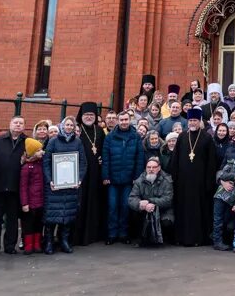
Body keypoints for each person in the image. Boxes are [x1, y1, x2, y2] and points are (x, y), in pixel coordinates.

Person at [170, 108, 218, 245]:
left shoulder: (207, 138)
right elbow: (175, 159)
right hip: (183, 183)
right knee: (183, 210)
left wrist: (209, 182)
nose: (192, 123)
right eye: (190, 120)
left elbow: (211, 163)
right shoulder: (182, 137)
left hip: (200, 183)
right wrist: (175, 177)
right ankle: (182, 238)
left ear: (199, 121)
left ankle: (198, 239)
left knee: (198, 211)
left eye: (195, 120)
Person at [43, 116, 87, 254]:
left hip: (70, 185)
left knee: (68, 216)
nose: (69, 127)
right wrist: (50, 180)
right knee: (51, 216)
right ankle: (49, 242)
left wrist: (79, 179)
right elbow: (46, 162)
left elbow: (83, 162)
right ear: (62, 126)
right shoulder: (53, 141)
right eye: (67, 125)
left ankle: (64, 241)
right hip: (54, 186)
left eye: (71, 125)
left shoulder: (78, 142)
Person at [102, 110, 145, 244]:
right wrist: (106, 175)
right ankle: (112, 234)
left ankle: (123, 234)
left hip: (128, 179)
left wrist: (136, 176)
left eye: (126, 120)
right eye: (121, 120)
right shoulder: (110, 137)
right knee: (113, 207)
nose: (124, 122)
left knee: (125, 207)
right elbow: (106, 157)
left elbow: (140, 158)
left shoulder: (135, 136)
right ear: (118, 121)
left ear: (129, 120)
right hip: (113, 179)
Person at [0, 116, 26, 255]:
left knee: (13, 220)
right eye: (15, 122)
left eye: (21, 123)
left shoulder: (27, 142)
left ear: (24, 127)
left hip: (16, 187)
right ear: (10, 124)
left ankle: (10, 246)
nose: (18, 125)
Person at [74, 101, 106, 246]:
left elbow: (104, 149)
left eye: (91, 115)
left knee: (94, 200)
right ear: (81, 115)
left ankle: (93, 234)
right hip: (80, 173)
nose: (88, 117)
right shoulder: (77, 130)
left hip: (95, 173)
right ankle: (77, 236)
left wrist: (102, 159)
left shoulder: (99, 131)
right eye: (86, 114)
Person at [128, 156, 174, 247]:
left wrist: (150, 202)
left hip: (162, 211)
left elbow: (168, 200)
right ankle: (140, 238)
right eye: (149, 167)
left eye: (154, 167)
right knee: (133, 213)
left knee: (167, 223)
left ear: (159, 168)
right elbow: (131, 198)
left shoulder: (167, 180)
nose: (151, 169)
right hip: (145, 211)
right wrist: (141, 204)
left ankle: (162, 239)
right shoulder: (139, 181)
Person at [19, 138, 45, 255]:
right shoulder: (26, 168)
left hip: (40, 201)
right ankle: (28, 245)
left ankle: (37, 244)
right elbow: (23, 187)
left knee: (38, 224)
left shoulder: (41, 164)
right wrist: (24, 203)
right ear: (33, 152)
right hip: (30, 202)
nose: (42, 152)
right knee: (28, 224)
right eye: (39, 150)